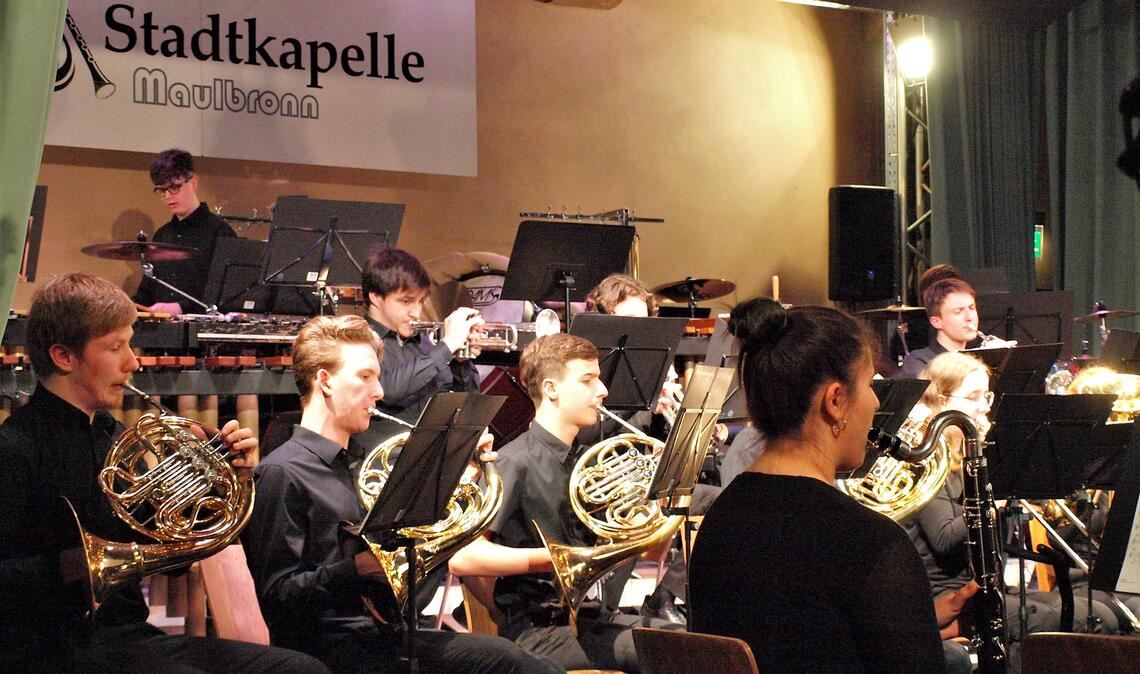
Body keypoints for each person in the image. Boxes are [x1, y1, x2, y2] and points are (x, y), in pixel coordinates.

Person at [0, 273, 322, 672]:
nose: (132, 362)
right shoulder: (13, 448)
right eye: (115, 347)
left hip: (128, 637)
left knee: (299, 669)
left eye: (129, 344)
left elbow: (166, 555)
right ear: (64, 356)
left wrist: (223, 480)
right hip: (49, 649)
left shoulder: (113, 437)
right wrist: (68, 567)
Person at [241, 315, 560, 674]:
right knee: (510, 663)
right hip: (330, 651)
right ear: (325, 382)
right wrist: (355, 570)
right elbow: (277, 597)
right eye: (365, 376)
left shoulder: (362, 464)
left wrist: (462, 466)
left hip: (387, 636)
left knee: (531, 665)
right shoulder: (282, 472)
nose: (379, 391)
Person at [688, 297, 973, 672]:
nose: (875, 400)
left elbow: (794, 640)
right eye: (870, 383)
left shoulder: (720, 521)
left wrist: (914, 617)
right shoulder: (871, 543)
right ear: (836, 401)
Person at [449, 333, 683, 672]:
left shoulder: (584, 463)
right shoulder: (514, 462)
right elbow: (463, 558)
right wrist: (553, 560)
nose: (602, 390)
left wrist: (663, 503)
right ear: (551, 389)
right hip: (539, 630)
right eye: (588, 380)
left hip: (590, 618)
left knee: (693, 644)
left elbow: (651, 554)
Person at [903, 351, 1120, 638]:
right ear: (940, 401)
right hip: (952, 598)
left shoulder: (971, 460)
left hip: (989, 588)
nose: (984, 407)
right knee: (1094, 619)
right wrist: (998, 495)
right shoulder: (928, 464)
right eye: (973, 397)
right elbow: (944, 538)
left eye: (987, 397)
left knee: (1105, 608)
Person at [584, 272, 721, 622]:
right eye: (628, 321)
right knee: (634, 511)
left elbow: (659, 449)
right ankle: (603, 611)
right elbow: (588, 436)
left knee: (719, 499)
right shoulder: (585, 368)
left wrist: (674, 416)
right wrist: (639, 403)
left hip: (643, 482)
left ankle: (665, 595)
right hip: (600, 485)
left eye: (644, 322)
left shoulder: (654, 365)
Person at [356, 247, 484, 448]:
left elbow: (471, 401)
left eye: (421, 301)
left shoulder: (427, 344)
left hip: (432, 453)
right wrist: (448, 346)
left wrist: (461, 362)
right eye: (405, 301)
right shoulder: (356, 340)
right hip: (381, 459)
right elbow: (387, 389)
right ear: (376, 297)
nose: (416, 312)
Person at [134, 149, 236, 315]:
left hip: (201, 333)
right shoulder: (162, 235)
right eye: (162, 190)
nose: (167, 196)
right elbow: (147, 290)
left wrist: (181, 307)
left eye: (174, 187)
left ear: (193, 182)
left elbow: (228, 294)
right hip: (162, 331)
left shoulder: (220, 232)